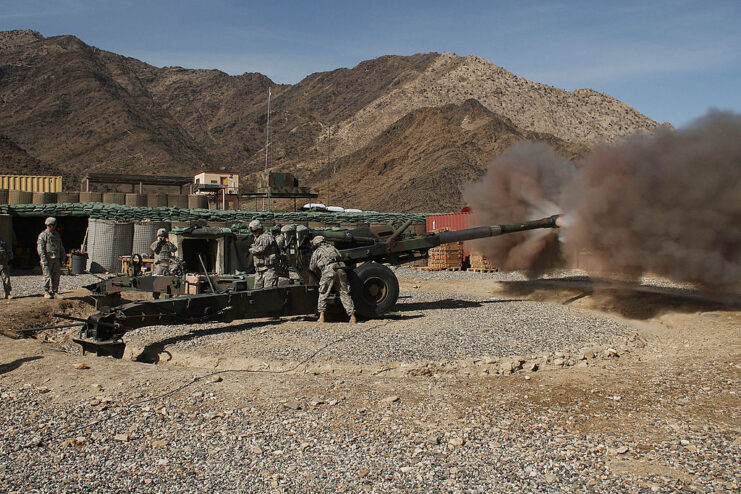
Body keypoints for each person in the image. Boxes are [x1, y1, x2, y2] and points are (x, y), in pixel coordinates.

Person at [309, 235, 356, 323]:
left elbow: (312, 267)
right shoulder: (333, 248)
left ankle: (322, 316)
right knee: (344, 292)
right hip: (341, 269)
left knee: (323, 292)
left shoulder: (318, 251)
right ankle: (352, 316)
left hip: (329, 271)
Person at [37, 217, 65, 299]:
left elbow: (60, 246)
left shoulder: (56, 234)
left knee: (56, 276)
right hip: (47, 259)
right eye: (52, 225)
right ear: (48, 225)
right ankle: (46, 291)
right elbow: (40, 248)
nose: (54, 227)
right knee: (47, 276)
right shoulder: (43, 235)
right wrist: (43, 259)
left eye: (54, 225)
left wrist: (63, 257)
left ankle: (55, 291)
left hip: (56, 258)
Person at [248, 219, 279, 288]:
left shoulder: (266, 236)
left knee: (269, 292)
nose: (254, 233)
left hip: (269, 269)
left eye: (255, 231)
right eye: (252, 231)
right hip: (259, 270)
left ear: (259, 229)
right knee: (257, 292)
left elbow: (261, 249)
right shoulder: (257, 237)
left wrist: (251, 249)